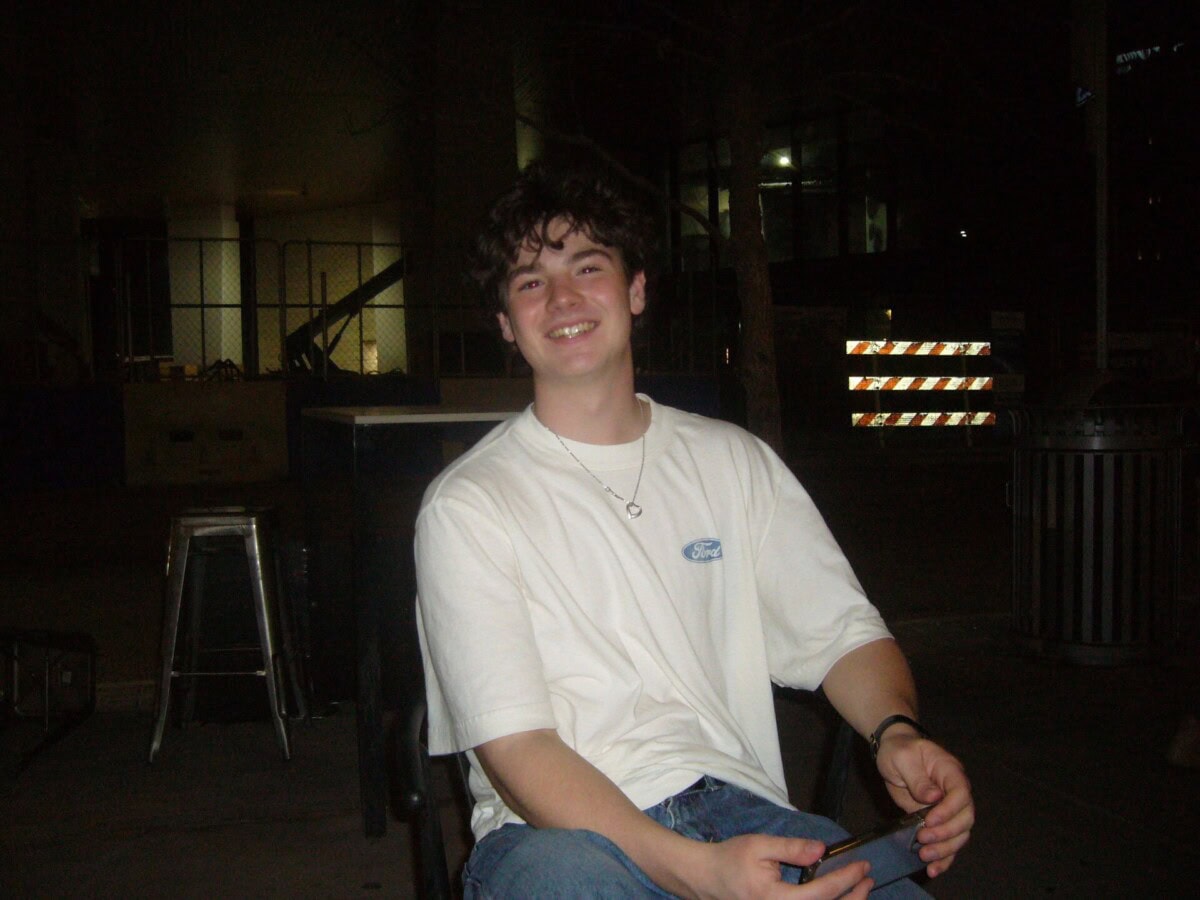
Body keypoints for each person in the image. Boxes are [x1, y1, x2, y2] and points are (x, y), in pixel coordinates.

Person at [414, 162, 974, 898]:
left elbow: (843, 634)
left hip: (745, 815)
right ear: (506, 327)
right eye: (529, 282)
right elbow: (517, 746)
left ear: (637, 288)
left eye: (589, 266)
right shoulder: (469, 505)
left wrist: (896, 732)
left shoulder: (733, 462)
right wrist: (694, 872)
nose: (562, 298)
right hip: (561, 838)